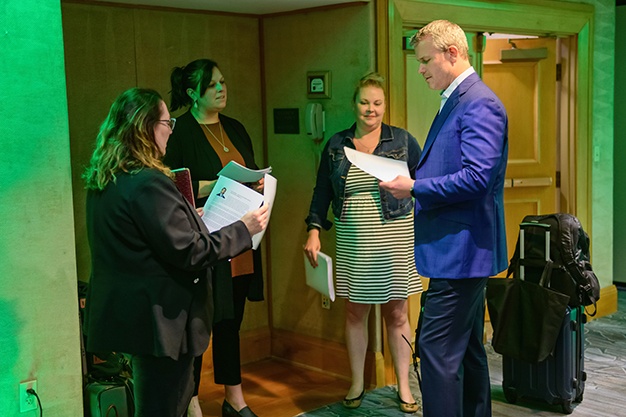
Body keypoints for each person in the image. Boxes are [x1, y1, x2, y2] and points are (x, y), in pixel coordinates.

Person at [82, 87, 269, 417]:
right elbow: (191, 252)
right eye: (167, 122)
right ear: (147, 127)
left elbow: (143, 236)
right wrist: (244, 228)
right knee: (164, 408)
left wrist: (189, 218)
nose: (170, 130)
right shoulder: (149, 182)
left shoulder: (108, 178)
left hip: (131, 315)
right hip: (160, 320)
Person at [380, 20, 509, 417]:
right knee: (466, 350)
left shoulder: (479, 103)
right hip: (457, 250)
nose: (420, 69)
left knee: (436, 351)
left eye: (425, 61)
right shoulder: (457, 99)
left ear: (452, 53)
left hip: (461, 252)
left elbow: (478, 178)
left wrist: (415, 187)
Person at [304, 72, 422, 414]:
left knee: (397, 313)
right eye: (364, 102)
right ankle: (357, 382)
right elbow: (322, 191)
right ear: (354, 104)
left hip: (395, 237)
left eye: (377, 103)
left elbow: (424, 183)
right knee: (355, 311)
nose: (371, 109)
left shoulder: (403, 140)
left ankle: (404, 386)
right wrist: (314, 229)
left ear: (385, 105)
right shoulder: (336, 144)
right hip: (354, 241)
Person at [165, 59, 265, 417]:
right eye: (212, 85)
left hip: (241, 240)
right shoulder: (179, 132)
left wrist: (256, 183)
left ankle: (233, 398)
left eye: (223, 82)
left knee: (230, 323)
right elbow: (174, 185)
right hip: (204, 241)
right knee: (197, 326)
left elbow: (249, 170)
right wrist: (217, 184)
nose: (222, 89)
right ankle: (190, 399)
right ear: (192, 93)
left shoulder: (235, 127)